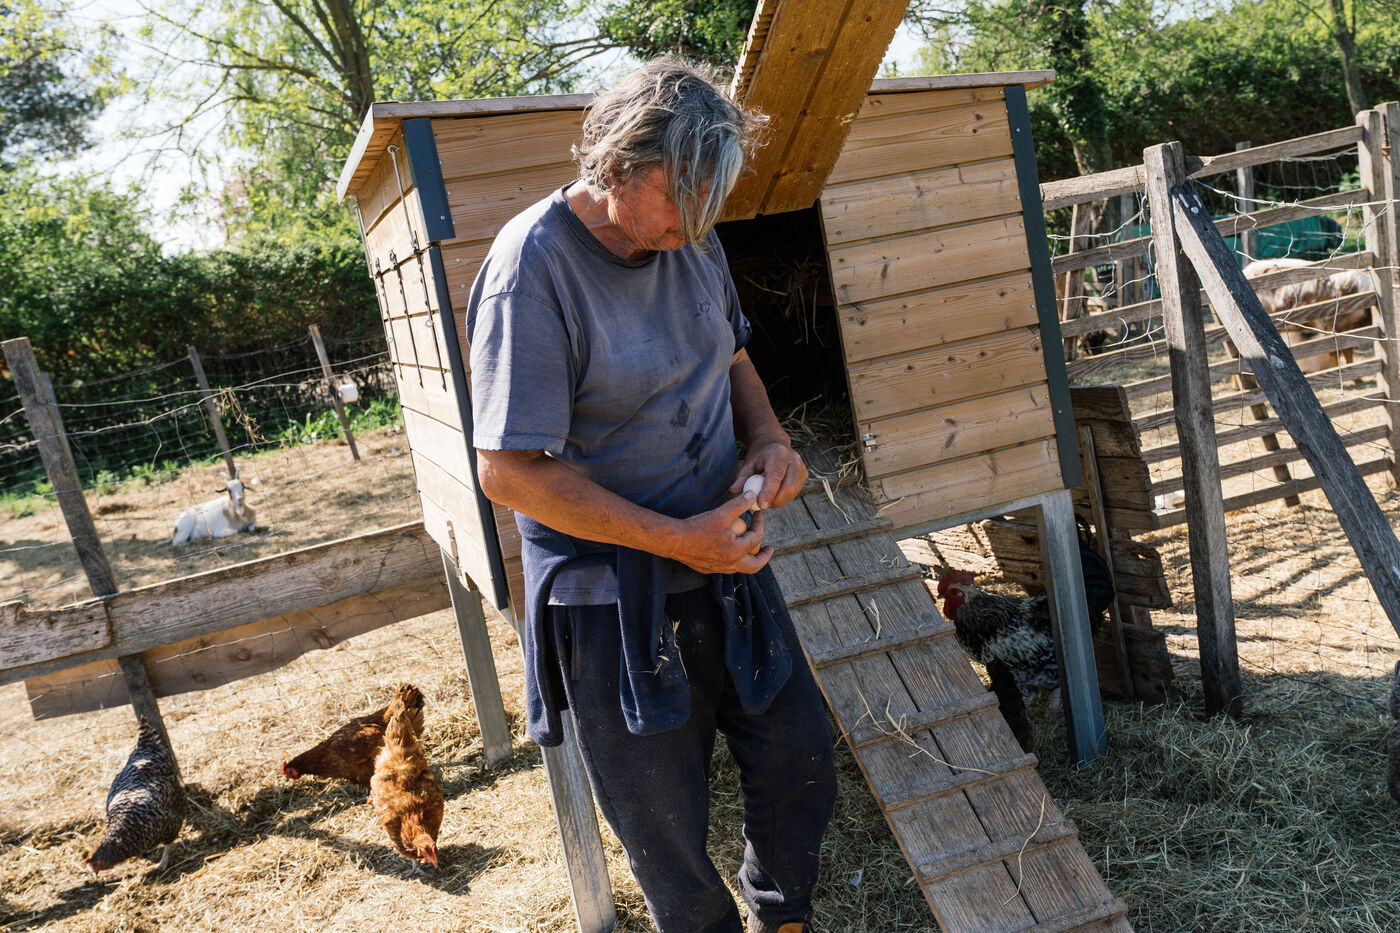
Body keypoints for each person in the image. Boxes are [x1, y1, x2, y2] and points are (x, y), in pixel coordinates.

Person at [465, 56, 837, 933]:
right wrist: (675, 538)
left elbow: (732, 353)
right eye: (683, 190)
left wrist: (770, 440)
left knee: (800, 758)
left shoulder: (692, 238)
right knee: (667, 835)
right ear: (615, 165)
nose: (701, 214)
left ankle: (782, 919)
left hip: (727, 562)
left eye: (713, 193)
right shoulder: (533, 268)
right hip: (611, 598)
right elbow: (506, 470)